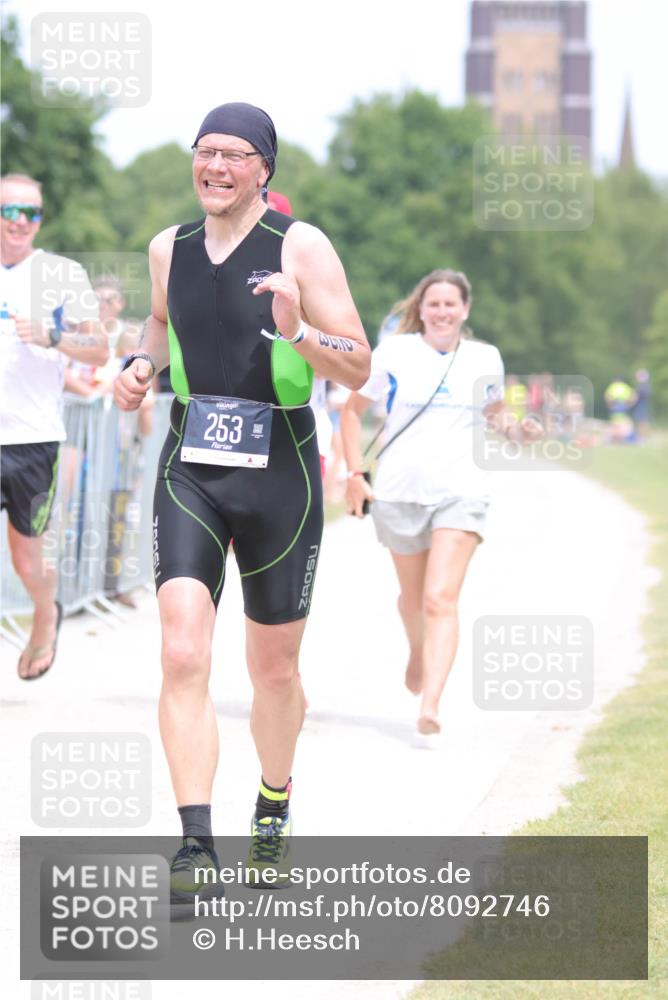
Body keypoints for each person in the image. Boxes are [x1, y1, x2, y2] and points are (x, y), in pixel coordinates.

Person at [113, 102, 369, 902]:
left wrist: (296, 332)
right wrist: (137, 366)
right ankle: (195, 842)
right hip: (190, 464)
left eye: (233, 154)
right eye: (204, 151)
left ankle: (274, 798)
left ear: (264, 167)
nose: (214, 166)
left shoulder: (302, 246)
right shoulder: (168, 248)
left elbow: (357, 365)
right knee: (183, 651)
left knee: (274, 669)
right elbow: (159, 325)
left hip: (280, 471)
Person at [341, 269, 508, 739]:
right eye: (433, 304)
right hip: (399, 491)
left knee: (440, 598)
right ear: (422, 308)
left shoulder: (485, 358)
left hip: (462, 491)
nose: (442, 312)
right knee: (413, 599)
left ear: (465, 310)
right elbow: (350, 414)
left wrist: (519, 429)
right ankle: (418, 650)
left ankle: (431, 702)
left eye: (450, 304)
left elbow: (494, 416)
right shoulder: (394, 353)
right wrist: (355, 475)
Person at [0, 173, 108, 679]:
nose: (21, 221)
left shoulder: (60, 275)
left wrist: (51, 334)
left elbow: (101, 348)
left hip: (31, 440)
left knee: (27, 561)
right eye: (10, 210)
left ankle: (46, 610)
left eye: (31, 213)